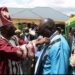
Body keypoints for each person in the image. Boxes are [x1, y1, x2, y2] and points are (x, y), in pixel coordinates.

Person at [0, 7, 49, 74]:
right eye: (10, 26)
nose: (14, 28)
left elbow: (26, 43)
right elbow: (14, 51)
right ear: (3, 29)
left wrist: (37, 41)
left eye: (12, 25)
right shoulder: (1, 41)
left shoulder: (14, 38)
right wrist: (38, 42)